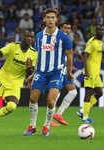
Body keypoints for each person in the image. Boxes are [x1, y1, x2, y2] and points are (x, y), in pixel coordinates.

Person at [23, 8, 73, 136]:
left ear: (56, 19)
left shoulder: (63, 36)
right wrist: (33, 73)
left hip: (56, 73)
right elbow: (37, 56)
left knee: (51, 101)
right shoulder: (39, 36)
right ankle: (32, 126)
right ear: (44, 19)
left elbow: (70, 55)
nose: (50, 20)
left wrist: (68, 73)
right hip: (41, 72)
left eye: (53, 17)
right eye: (48, 17)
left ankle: (46, 126)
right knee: (33, 98)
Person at [76, 25, 104, 123]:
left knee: (100, 93)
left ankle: (82, 111)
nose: (101, 31)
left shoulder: (100, 42)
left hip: (96, 73)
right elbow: (85, 56)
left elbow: (99, 58)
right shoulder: (91, 42)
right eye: (99, 29)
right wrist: (86, 71)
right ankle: (85, 118)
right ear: (95, 31)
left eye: (103, 29)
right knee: (88, 93)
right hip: (90, 72)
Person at [51, 22, 78, 126]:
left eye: (69, 28)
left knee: (73, 92)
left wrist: (69, 68)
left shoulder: (67, 40)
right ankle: (48, 120)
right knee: (55, 95)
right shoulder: (56, 39)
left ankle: (58, 114)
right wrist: (69, 66)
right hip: (57, 71)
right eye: (65, 28)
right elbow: (55, 57)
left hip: (65, 71)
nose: (67, 30)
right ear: (60, 28)